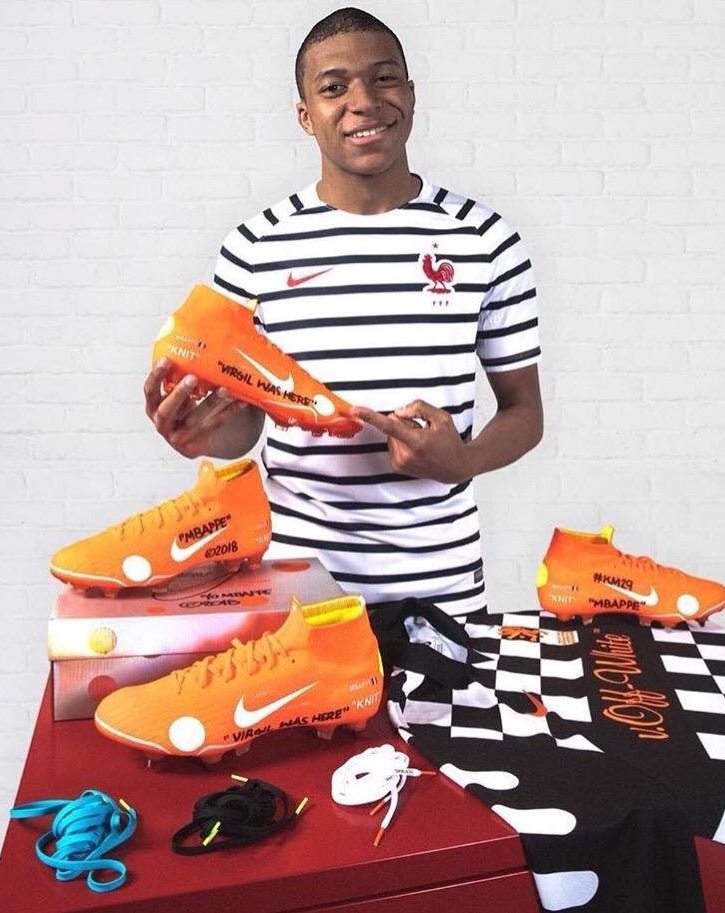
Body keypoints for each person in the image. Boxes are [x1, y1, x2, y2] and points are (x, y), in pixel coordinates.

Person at [144, 7, 543, 618]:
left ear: (411, 94)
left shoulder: (485, 239)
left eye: (384, 78)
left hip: (443, 589)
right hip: (295, 588)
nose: (363, 102)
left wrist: (463, 460)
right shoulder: (254, 248)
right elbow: (245, 425)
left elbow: (525, 412)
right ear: (306, 115)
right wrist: (197, 436)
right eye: (333, 88)